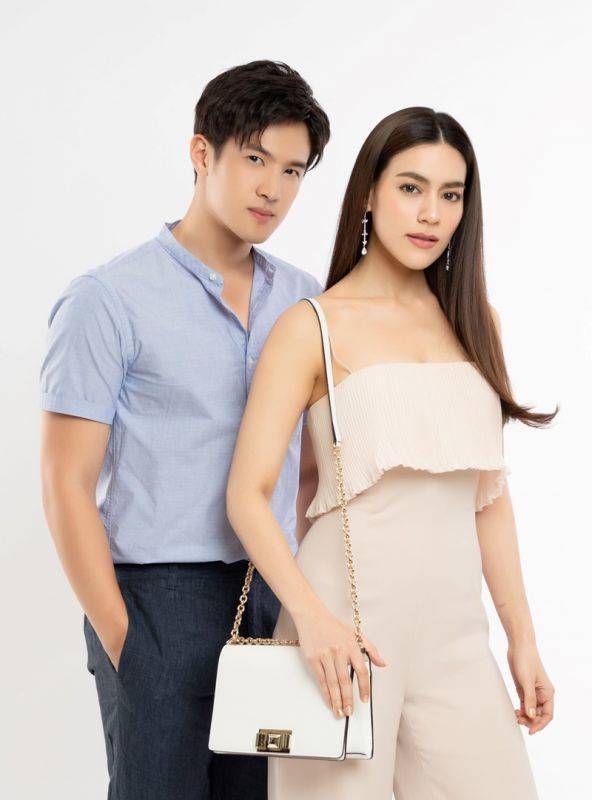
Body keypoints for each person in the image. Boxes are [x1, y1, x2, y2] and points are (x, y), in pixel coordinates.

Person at [225, 107, 556, 799]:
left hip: (457, 640)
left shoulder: (477, 323)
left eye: (450, 194)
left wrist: (522, 639)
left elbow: (488, 499)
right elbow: (246, 495)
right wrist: (312, 621)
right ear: (370, 193)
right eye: (410, 187)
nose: (430, 213)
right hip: (341, 634)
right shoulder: (311, 326)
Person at [39, 59, 329, 800]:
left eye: (293, 170)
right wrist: (123, 639)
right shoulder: (109, 299)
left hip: (272, 594)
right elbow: (66, 481)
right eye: (256, 159)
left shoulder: (304, 300)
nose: (273, 188)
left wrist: (307, 595)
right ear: (202, 153)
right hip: (155, 599)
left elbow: (310, 469)